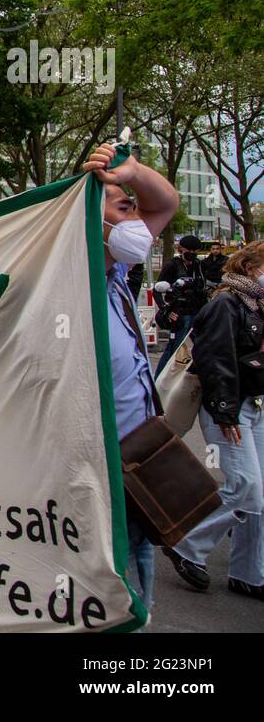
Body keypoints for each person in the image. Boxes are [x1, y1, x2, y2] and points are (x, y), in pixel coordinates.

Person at [81, 141, 179, 618]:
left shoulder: (117, 272)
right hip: (92, 478)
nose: (141, 223)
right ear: (88, 221)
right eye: (124, 209)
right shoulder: (70, 288)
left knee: (138, 581)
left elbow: (167, 203)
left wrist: (132, 172)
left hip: (137, 468)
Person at [163, 241, 264, 601]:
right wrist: (224, 409)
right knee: (246, 485)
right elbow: (215, 358)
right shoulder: (227, 303)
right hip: (229, 408)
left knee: (259, 493)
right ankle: (187, 545)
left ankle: (250, 572)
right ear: (252, 268)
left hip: (253, 405)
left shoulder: (258, 306)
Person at [155, 234, 208, 375]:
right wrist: (166, 310)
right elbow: (157, 291)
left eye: (195, 250)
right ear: (181, 249)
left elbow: (202, 286)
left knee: (203, 346)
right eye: (189, 250)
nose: (192, 253)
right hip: (180, 312)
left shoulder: (199, 266)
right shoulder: (172, 265)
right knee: (174, 348)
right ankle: (159, 379)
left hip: (197, 311)